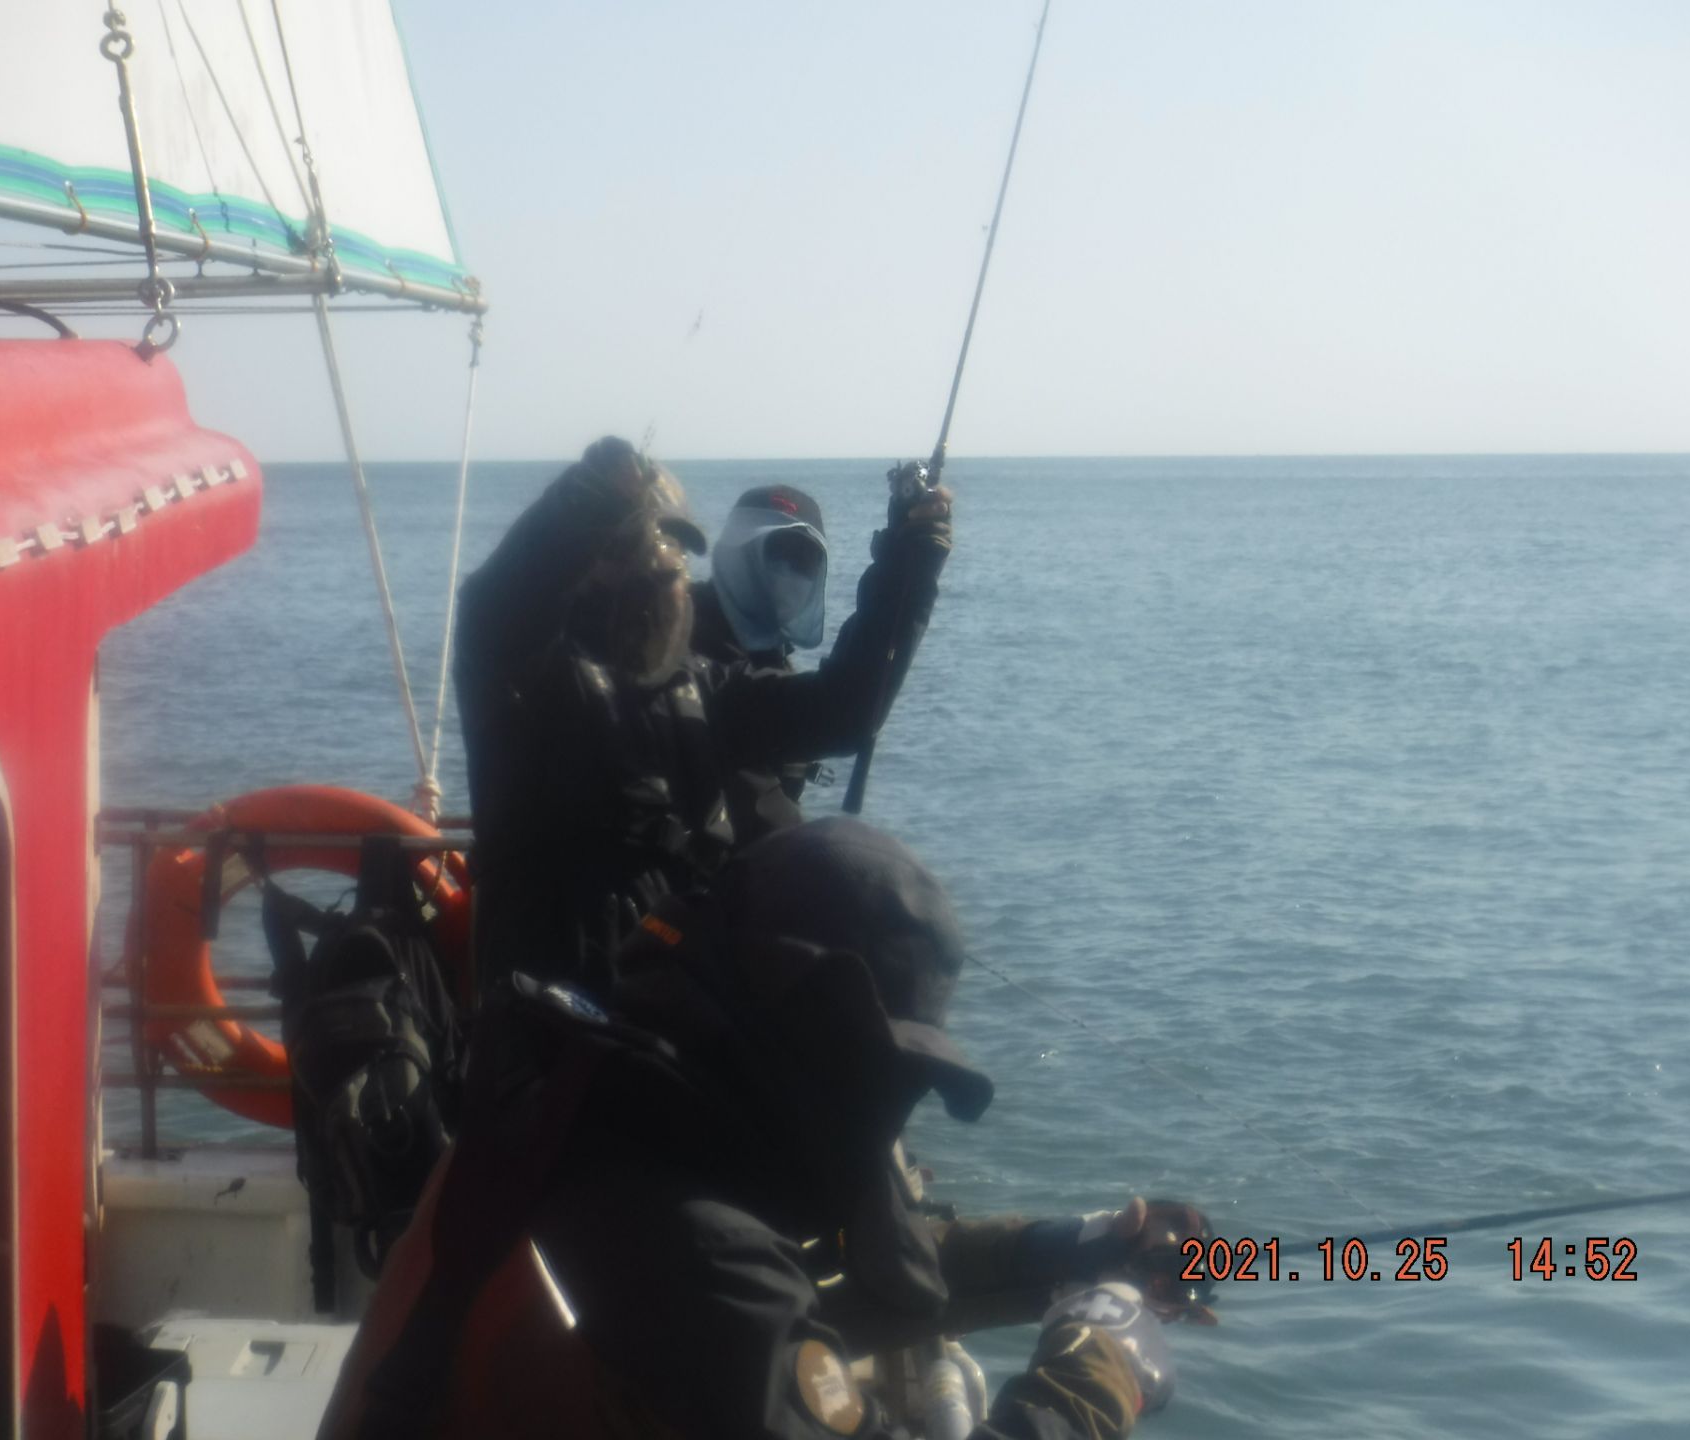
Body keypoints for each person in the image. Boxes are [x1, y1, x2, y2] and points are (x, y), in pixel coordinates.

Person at [318, 819, 1209, 1439]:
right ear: (807, 1028)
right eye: (875, 1064)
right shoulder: (689, 1244)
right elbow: (743, 1297)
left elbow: (830, 1277)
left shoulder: (615, 1115)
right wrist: (1097, 1373)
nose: (882, 1100)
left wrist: (1071, 1250)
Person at [455, 438, 951, 997]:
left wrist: (910, 561)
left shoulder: (702, 685)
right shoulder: (523, 676)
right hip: (551, 1011)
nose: (659, 568)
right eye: (634, 551)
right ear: (587, 562)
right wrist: (582, 501)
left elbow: (845, 711)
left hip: (673, 1004)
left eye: (671, 552)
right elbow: (494, 603)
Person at [689, 483, 833, 841]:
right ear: (736, 556)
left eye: (804, 560)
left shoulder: (767, 657)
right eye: (775, 552)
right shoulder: (693, 649)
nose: (788, 572)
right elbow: (846, 711)